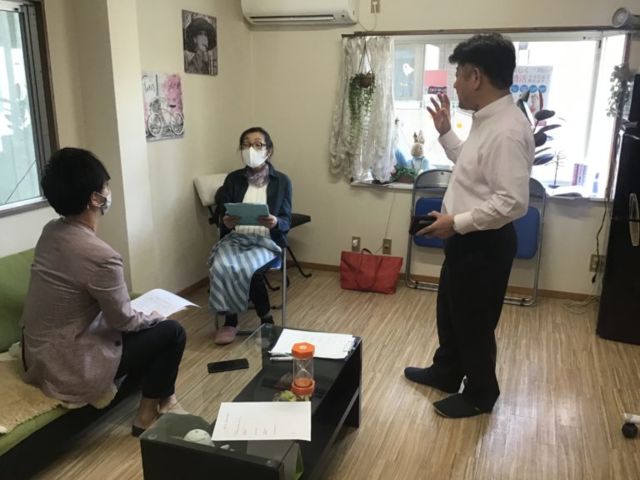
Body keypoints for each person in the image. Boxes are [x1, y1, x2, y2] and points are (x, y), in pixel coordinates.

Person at [404, 33, 534, 418]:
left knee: (474, 322)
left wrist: (456, 222)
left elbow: (512, 202)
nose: (455, 83)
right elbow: (472, 167)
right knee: (452, 313)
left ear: (476, 77)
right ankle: (446, 372)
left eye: (459, 74)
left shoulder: (507, 130)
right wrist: (446, 132)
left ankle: (481, 393)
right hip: (465, 238)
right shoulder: (488, 120)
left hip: (484, 243)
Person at [20, 148, 187, 436]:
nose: (109, 191)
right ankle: (147, 415)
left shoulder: (51, 232)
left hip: (35, 355)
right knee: (172, 332)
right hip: (68, 365)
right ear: (96, 199)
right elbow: (124, 320)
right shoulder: (102, 257)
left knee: (149, 329)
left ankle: (167, 399)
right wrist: (153, 316)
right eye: (106, 186)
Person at [209, 127, 292, 345]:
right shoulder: (233, 179)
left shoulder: (282, 181)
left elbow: (286, 220)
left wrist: (275, 222)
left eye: (257, 144)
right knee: (221, 266)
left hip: (266, 242)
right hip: (236, 239)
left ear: (268, 150)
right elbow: (222, 215)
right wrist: (226, 221)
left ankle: (266, 320)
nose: (251, 149)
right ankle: (230, 321)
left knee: (250, 269)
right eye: (246, 145)